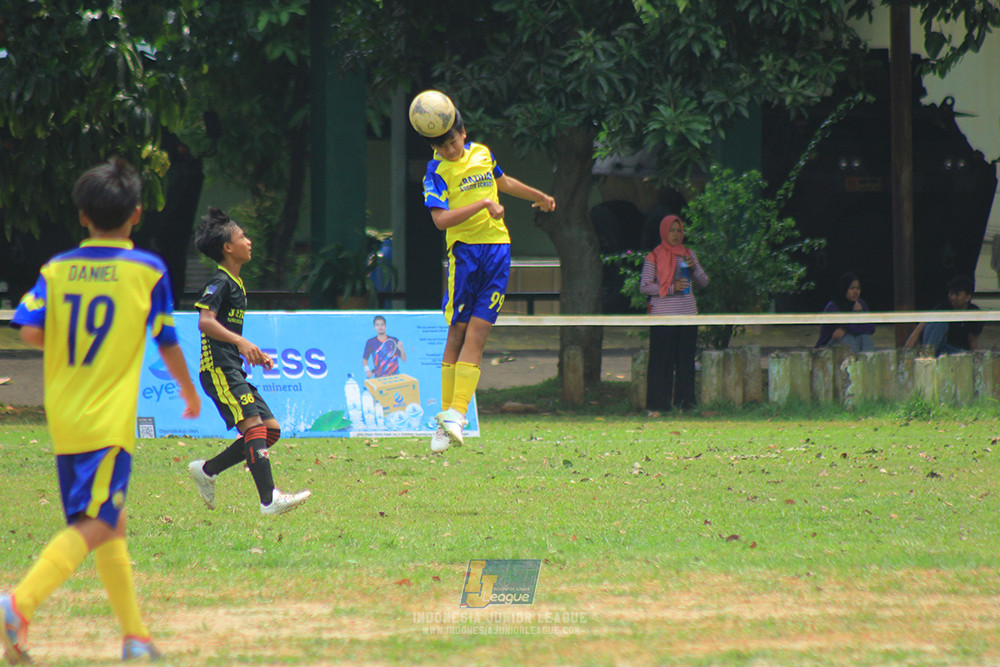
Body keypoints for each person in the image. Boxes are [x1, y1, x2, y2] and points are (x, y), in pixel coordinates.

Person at [3, 158, 201, 663]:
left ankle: (135, 638)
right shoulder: (146, 270)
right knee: (96, 521)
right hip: (107, 421)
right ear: (136, 214)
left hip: (65, 416)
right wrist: (189, 391)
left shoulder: (59, 268)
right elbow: (167, 339)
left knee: (112, 522)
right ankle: (17, 603)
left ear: (83, 217)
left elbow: (27, 326)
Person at [417, 102, 555, 452]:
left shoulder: (482, 153)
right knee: (458, 331)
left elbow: (503, 181)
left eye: (453, 142)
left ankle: (456, 414)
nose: (449, 150)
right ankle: (445, 418)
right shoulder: (435, 172)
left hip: (497, 250)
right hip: (465, 252)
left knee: (479, 331)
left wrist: (538, 196)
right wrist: (481, 205)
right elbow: (440, 221)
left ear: (464, 133)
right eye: (441, 146)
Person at [186, 208, 311, 515]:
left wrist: (249, 350)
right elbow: (205, 321)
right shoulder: (219, 282)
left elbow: (224, 330)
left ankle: (208, 470)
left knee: (269, 430)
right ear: (228, 248)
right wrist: (241, 342)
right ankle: (269, 499)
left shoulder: (237, 284)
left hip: (232, 366)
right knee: (254, 428)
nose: (249, 241)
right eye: (243, 236)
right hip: (218, 368)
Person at [640, 215, 709, 415]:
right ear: (663, 232)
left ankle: (685, 405)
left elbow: (704, 282)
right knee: (661, 362)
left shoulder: (689, 254)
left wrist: (694, 268)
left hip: (687, 315)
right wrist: (671, 288)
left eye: (679, 230)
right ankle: (657, 406)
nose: (676, 235)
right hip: (663, 316)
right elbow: (645, 287)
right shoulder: (653, 256)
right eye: (671, 230)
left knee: (686, 362)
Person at [904, 274, 983, 355]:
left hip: (956, 351)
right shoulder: (943, 308)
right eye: (951, 294)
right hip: (939, 347)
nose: (952, 297)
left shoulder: (974, 312)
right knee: (941, 322)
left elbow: (972, 340)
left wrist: (975, 358)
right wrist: (906, 351)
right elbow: (920, 327)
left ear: (968, 297)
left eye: (957, 294)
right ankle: (927, 354)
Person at [814, 272, 876, 353]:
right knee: (847, 338)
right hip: (828, 346)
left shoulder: (860, 304)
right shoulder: (833, 306)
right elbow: (848, 325)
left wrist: (846, 328)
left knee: (864, 337)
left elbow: (871, 328)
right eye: (852, 288)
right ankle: (851, 365)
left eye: (858, 288)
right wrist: (855, 314)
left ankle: (868, 363)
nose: (855, 292)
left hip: (852, 340)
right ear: (844, 289)